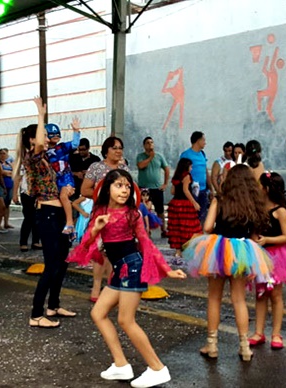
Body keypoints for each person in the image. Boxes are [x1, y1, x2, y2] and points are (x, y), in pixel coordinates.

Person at [67, 169, 186, 387]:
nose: (124, 190)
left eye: (127, 186)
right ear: (107, 188)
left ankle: (158, 368)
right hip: (119, 269)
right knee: (99, 313)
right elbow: (85, 245)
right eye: (119, 185)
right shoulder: (100, 211)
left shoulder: (133, 214)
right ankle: (121, 365)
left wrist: (166, 269)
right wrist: (96, 229)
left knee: (125, 320)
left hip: (132, 267)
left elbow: (146, 243)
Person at [182, 164, 273, 361]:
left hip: (218, 249)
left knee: (214, 297)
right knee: (239, 300)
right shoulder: (252, 203)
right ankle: (245, 346)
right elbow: (256, 235)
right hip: (242, 251)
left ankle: (212, 344)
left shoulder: (220, 199)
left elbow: (207, 227)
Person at [14, 96, 75, 328]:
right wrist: (41, 115)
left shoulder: (47, 159)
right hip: (47, 215)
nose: (49, 139)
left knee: (63, 261)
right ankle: (36, 314)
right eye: (43, 135)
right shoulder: (33, 157)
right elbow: (40, 143)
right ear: (33, 139)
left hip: (58, 215)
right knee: (51, 265)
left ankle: (53, 305)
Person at [250, 172, 286, 350]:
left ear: (266, 189)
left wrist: (267, 240)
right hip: (260, 256)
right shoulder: (257, 209)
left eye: (260, 186)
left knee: (275, 295)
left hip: (277, 257)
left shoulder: (280, 211)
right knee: (260, 294)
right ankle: (259, 332)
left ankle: (276, 333)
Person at [81, 136, 129, 302]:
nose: (118, 151)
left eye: (120, 148)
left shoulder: (124, 167)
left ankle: (111, 288)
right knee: (100, 252)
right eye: (114, 148)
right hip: (101, 214)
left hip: (121, 216)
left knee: (115, 252)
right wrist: (104, 196)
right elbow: (85, 189)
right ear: (106, 150)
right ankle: (96, 289)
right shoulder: (96, 167)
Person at [45, 119, 81, 238]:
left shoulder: (62, 147)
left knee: (63, 196)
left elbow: (75, 144)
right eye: (52, 134)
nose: (55, 136)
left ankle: (70, 223)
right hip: (53, 182)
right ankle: (68, 228)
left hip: (65, 177)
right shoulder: (42, 152)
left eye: (57, 134)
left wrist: (76, 131)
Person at [167, 158, 202, 258]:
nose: (191, 168)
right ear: (186, 166)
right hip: (184, 205)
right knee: (189, 227)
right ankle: (188, 248)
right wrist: (194, 203)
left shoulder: (176, 177)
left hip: (175, 204)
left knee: (176, 228)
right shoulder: (187, 176)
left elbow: (172, 192)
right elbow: (186, 190)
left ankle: (178, 251)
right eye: (191, 166)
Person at [136, 137, 170, 238]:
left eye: (151, 142)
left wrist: (165, 183)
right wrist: (150, 158)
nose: (150, 144)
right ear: (144, 145)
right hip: (144, 188)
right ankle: (145, 229)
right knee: (144, 210)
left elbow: (166, 169)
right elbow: (141, 166)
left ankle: (163, 229)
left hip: (157, 188)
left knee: (160, 210)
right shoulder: (140, 156)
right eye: (147, 143)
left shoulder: (159, 156)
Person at [180, 131, 212, 223]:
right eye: (203, 140)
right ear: (198, 140)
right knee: (191, 217)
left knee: (202, 216)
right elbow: (181, 173)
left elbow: (205, 171)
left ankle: (201, 235)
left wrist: (210, 188)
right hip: (192, 190)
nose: (205, 143)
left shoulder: (202, 154)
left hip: (203, 190)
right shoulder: (186, 155)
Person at [13, 164, 41, 252]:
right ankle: (23, 242)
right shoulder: (24, 164)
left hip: (38, 193)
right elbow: (18, 178)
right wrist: (15, 194)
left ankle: (36, 241)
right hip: (26, 192)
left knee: (37, 218)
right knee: (28, 218)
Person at [0, 148, 14, 230]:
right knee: (1, 205)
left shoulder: (10, 162)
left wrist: (9, 172)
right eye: (1, 153)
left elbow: (15, 171)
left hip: (10, 185)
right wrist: (9, 173)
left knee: (7, 204)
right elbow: (2, 173)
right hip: (2, 185)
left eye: (4, 153)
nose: (2, 155)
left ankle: (6, 223)